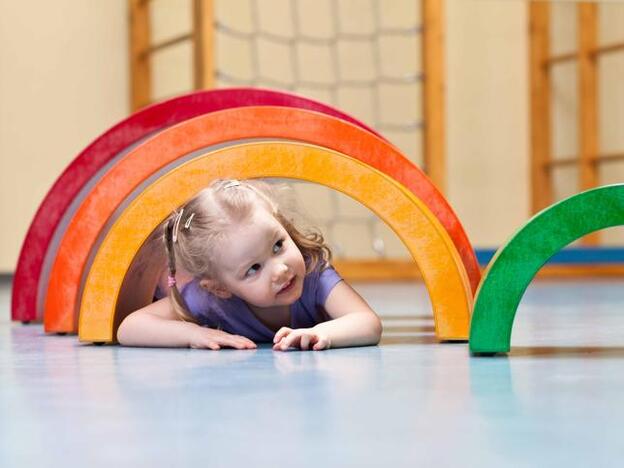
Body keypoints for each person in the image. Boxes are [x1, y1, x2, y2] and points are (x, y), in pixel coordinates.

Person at [117, 179, 382, 351]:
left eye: (278, 245)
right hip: (171, 275)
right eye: (254, 269)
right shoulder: (209, 299)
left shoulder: (313, 274)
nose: (280, 270)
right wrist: (192, 334)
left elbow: (366, 321)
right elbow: (130, 327)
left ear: (283, 226)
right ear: (221, 288)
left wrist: (322, 333)